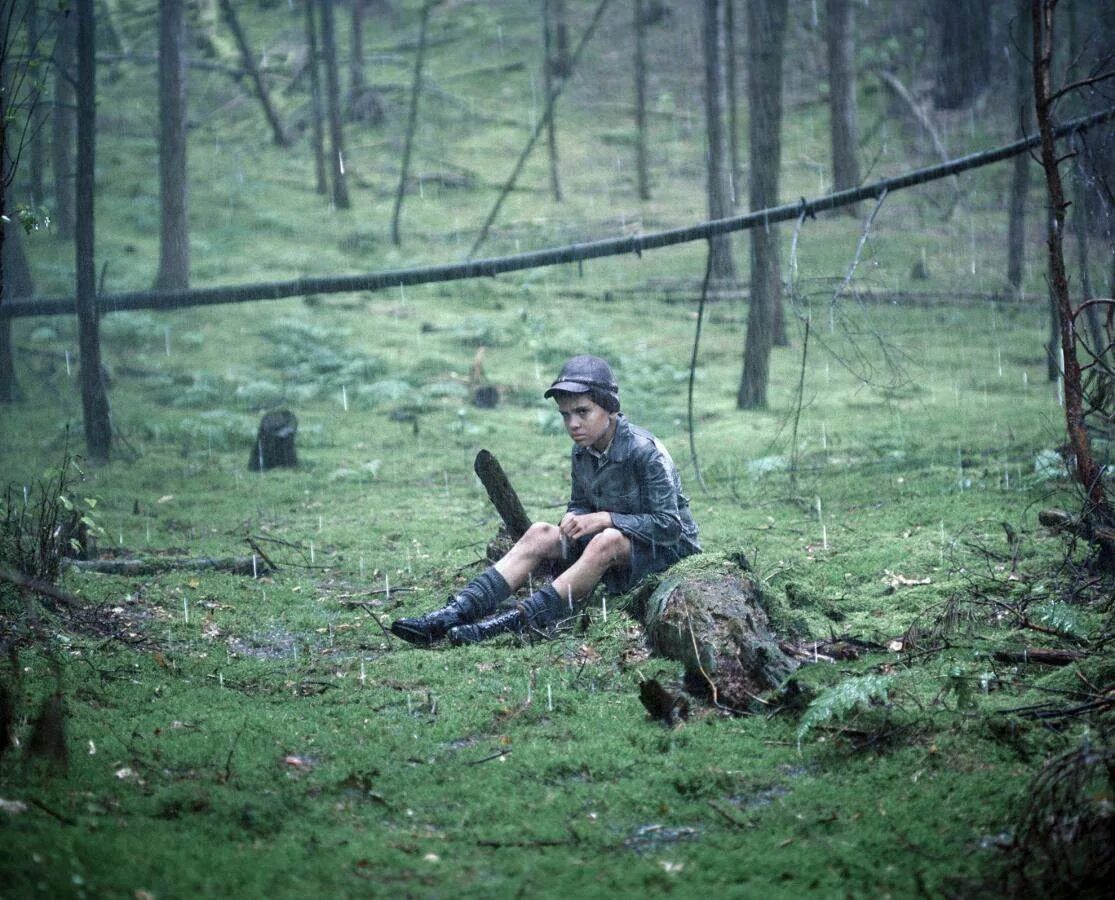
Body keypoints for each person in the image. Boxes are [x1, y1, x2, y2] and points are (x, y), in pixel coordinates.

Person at [390, 355, 700, 646]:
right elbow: (580, 502)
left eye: (582, 412)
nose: (573, 424)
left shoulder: (646, 452)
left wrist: (607, 518)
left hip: (667, 552)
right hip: (614, 547)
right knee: (541, 532)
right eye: (565, 415)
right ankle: (453, 614)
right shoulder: (582, 451)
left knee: (608, 539)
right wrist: (574, 517)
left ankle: (509, 623)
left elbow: (669, 526)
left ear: (610, 408)